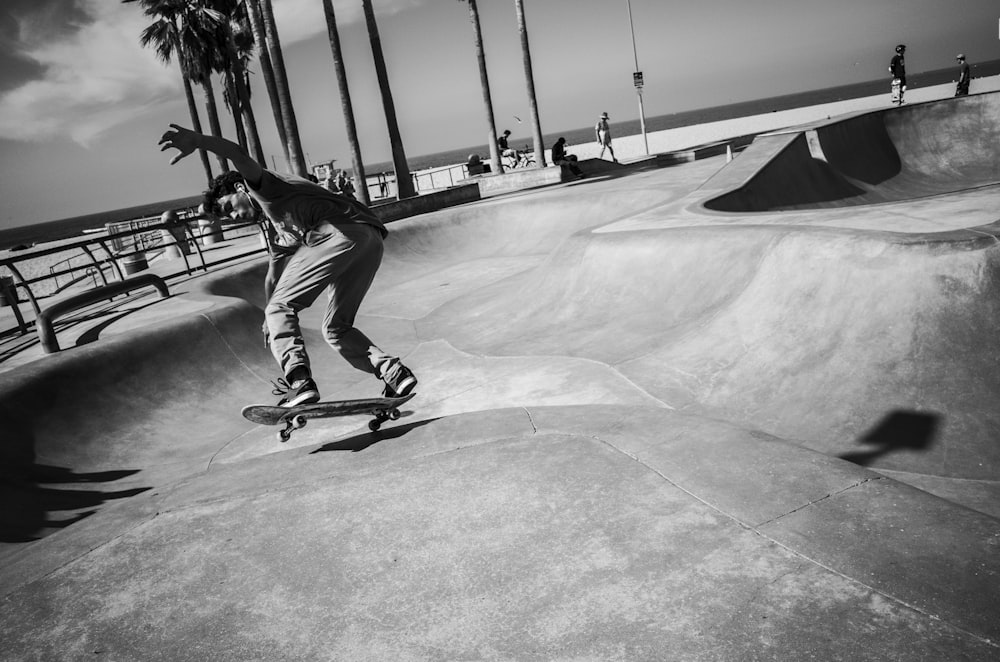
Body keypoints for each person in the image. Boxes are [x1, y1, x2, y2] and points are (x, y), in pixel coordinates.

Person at [158, 123, 418, 407]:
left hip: (338, 231)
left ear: (239, 188)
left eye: (229, 207)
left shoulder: (262, 186)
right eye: (226, 217)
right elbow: (274, 276)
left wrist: (198, 140)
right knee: (336, 328)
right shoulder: (280, 227)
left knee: (281, 309)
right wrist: (270, 319)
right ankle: (393, 372)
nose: (232, 216)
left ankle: (299, 381)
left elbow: (235, 152)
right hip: (370, 239)